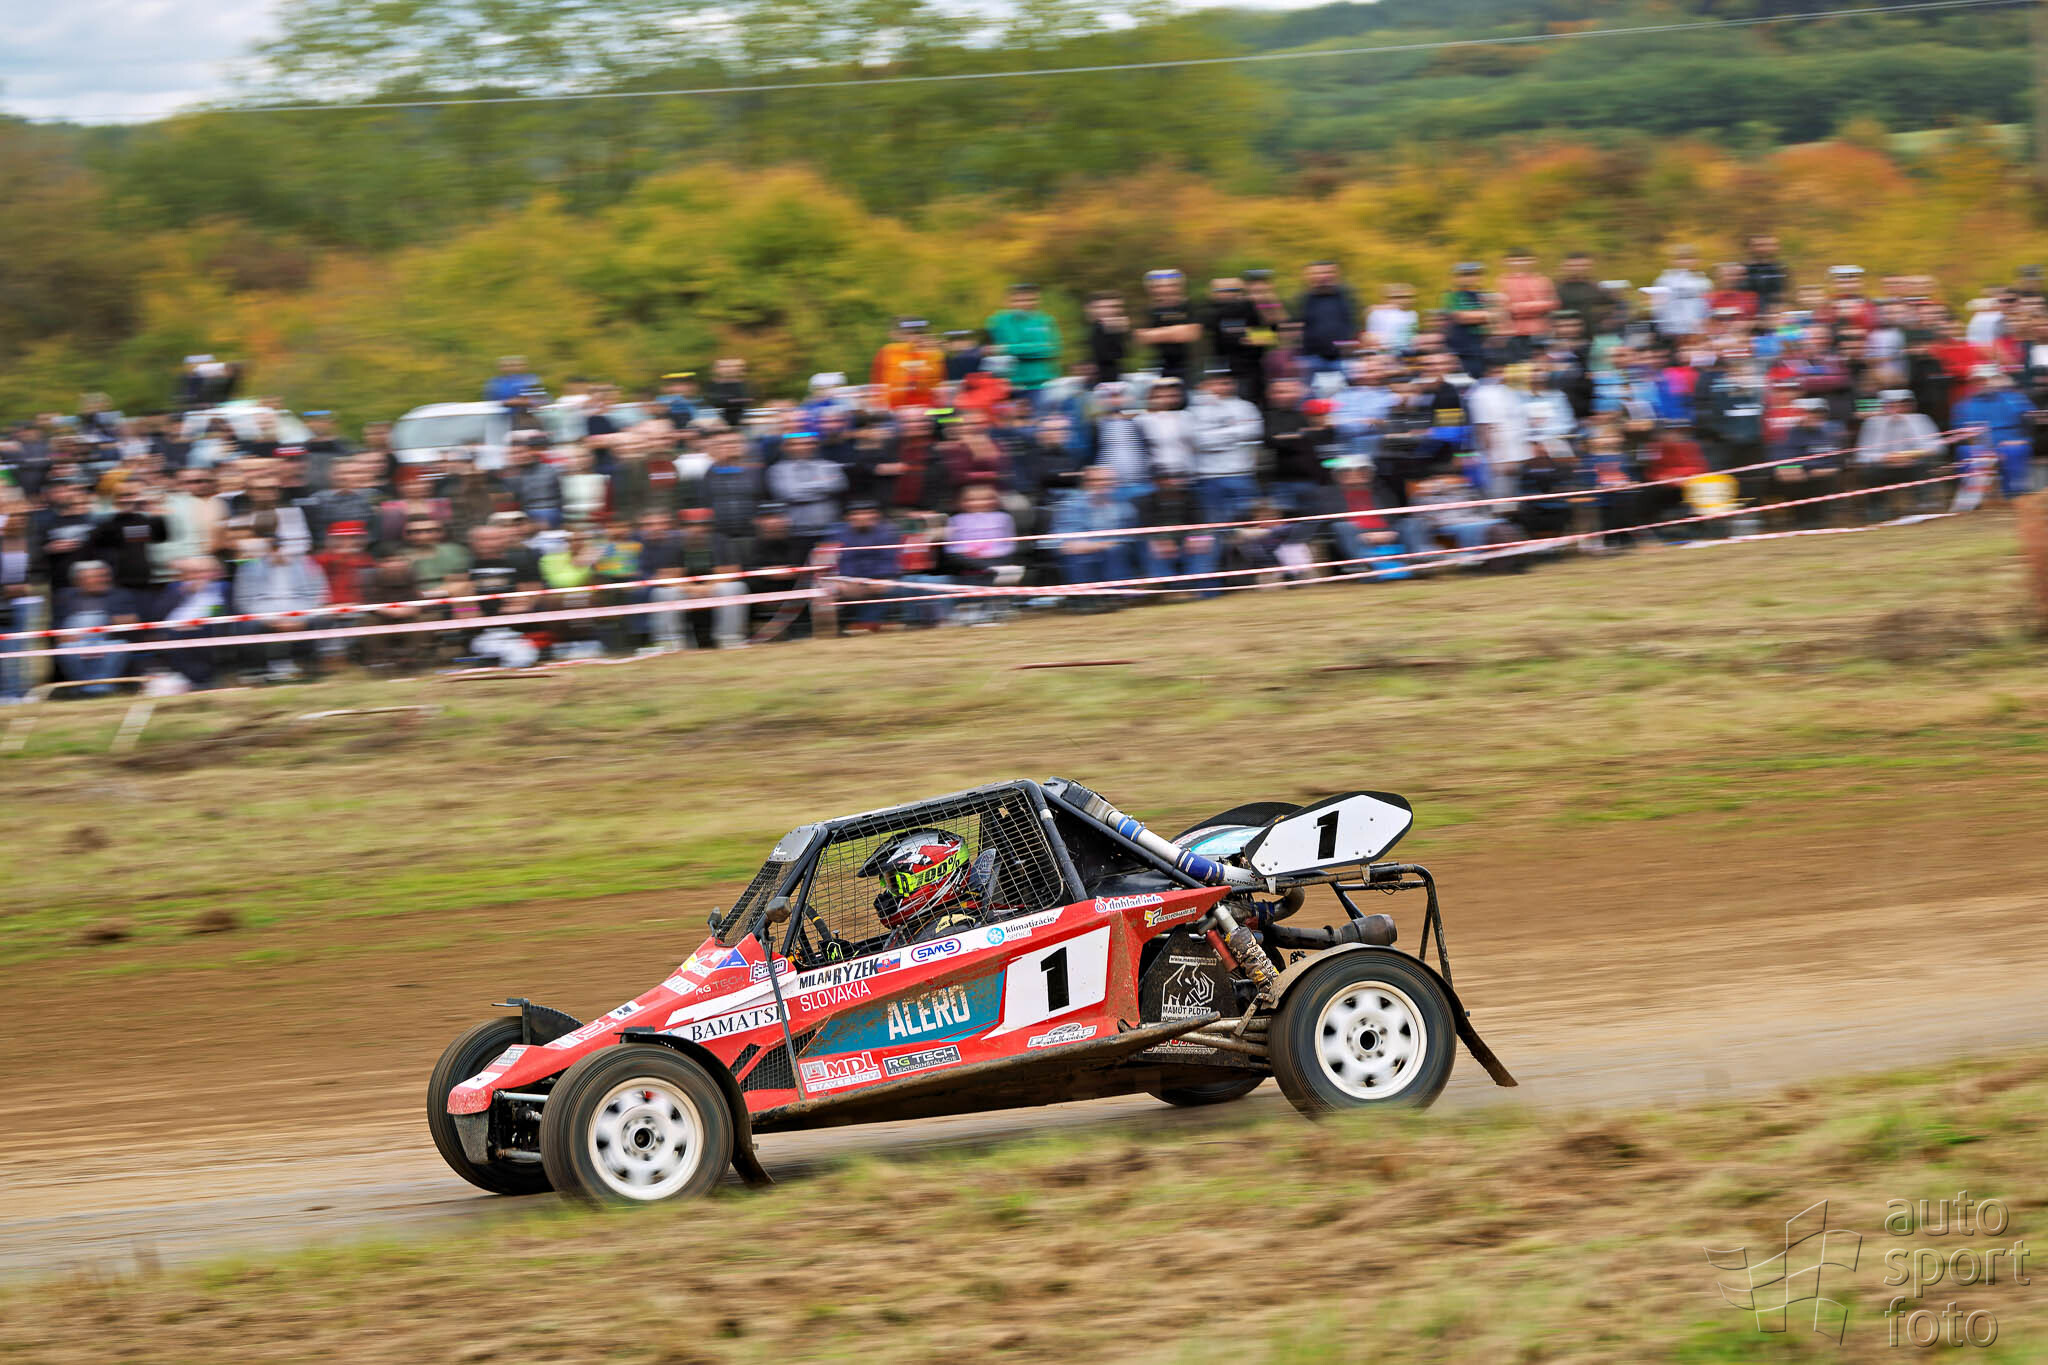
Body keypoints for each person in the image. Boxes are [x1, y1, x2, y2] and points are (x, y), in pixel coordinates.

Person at [859, 828, 1001, 948]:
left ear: (935, 877)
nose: (888, 894)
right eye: (888, 883)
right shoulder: (922, 923)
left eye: (896, 884)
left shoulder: (947, 932)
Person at [1187, 369, 1263, 524]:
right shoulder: (1194, 410)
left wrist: (1214, 435)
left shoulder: (1246, 407)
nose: (1222, 387)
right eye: (1216, 383)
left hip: (1241, 474)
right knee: (1215, 526)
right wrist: (1233, 433)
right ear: (1205, 385)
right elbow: (1197, 440)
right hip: (1208, 478)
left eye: (1226, 383)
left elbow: (1253, 432)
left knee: (1247, 526)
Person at [985, 284, 1062, 396]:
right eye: (1017, 301)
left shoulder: (1046, 321)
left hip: (1042, 385)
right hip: (1010, 387)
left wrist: (1007, 348)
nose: (1024, 304)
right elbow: (994, 353)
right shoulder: (998, 321)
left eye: (1030, 300)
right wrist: (1034, 348)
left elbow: (1050, 350)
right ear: (1007, 302)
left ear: (1038, 300)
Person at [1295, 260, 1360, 381]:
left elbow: (1354, 322)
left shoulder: (1346, 296)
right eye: (1318, 273)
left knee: (1346, 390)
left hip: (1342, 358)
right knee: (1308, 391)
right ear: (1308, 276)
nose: (1323, 276)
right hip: (1310, 359)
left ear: (1336, 274)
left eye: (1328, 272)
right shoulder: (1301, 299)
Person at [1136, 270, 1201, 387]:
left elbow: (1192, 334)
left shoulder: (1189, 306)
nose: (1165, 289)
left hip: (1189, 367)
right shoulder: (1148, 310)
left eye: (1170, 285)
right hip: (1158, 367)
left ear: (1179, 286)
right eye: (1159, 286)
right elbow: (1142, 338)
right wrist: (1177, 331)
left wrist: (1156, 333)